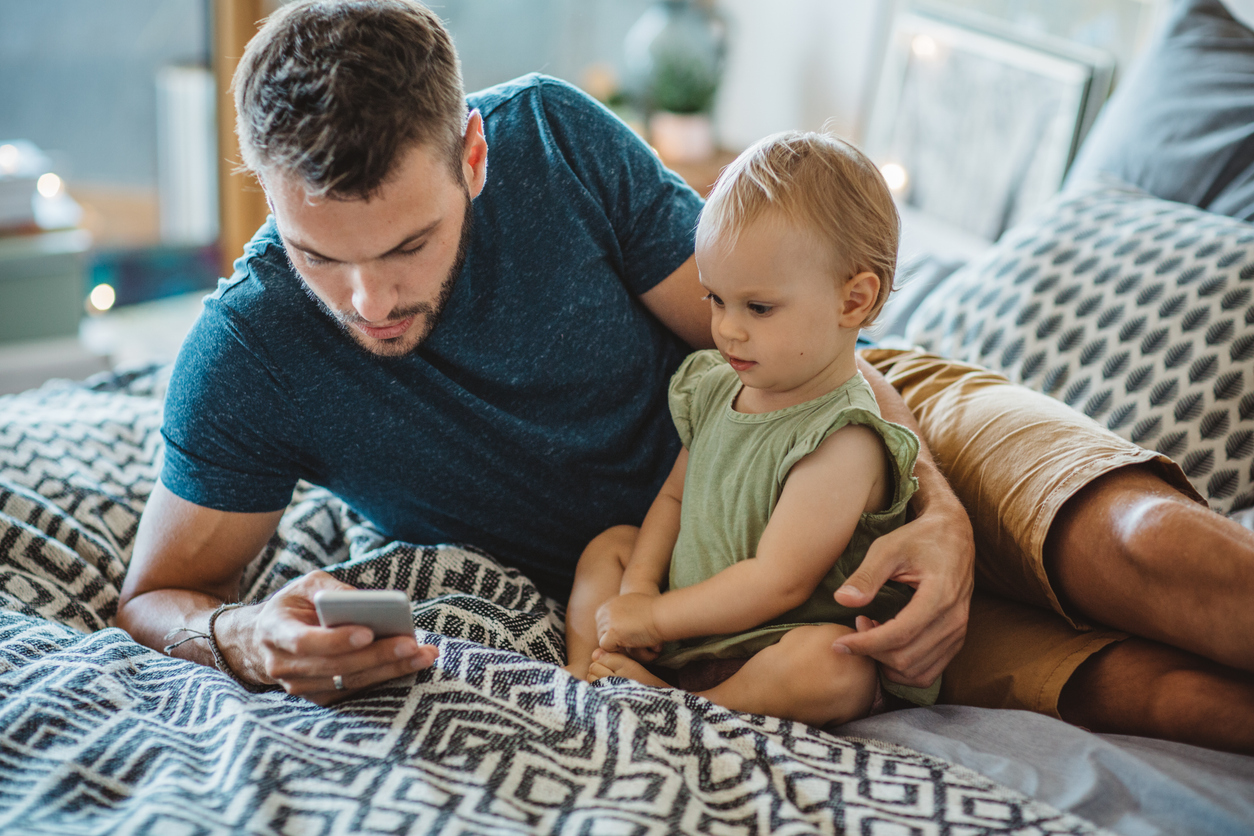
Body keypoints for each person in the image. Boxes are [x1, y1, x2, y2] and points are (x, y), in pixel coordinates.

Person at [113, 0, 1253, 754]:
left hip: (845, 401)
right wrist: (241, 636)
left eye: (407, 246)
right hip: (709, 575)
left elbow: (764, 322)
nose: (369, 302)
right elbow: (156, 590)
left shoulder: (555, 140)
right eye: (321, 255)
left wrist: (941, 509)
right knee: (1150, 697)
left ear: (471, 154)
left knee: (1144, 550)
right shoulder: (250, 352)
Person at [562, 132, 936, 727]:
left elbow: (778, 583)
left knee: (835, 667)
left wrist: (657, 618)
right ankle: (591, 677)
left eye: (757, 308)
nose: (727, 330)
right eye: (716, 299)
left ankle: (692, 710)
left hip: (766, 644)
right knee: (609, 546)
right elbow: (675, 497)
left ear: (854, 302)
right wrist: (637, 591)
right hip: (682, 624)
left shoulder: (844, 438)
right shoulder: (716, 386)